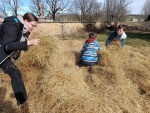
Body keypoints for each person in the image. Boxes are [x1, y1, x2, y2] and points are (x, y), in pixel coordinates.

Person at [0, 13, 40, 106]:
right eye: (33, 25)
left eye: (35, 27)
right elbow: (8, 45)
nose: (33, 28)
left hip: (2, 54)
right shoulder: (12, 26)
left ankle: (23, 100)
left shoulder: (20, 27)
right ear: (25, 21)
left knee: (15, 74)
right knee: (16, 74)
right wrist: (28, 43)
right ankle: (23, 102)